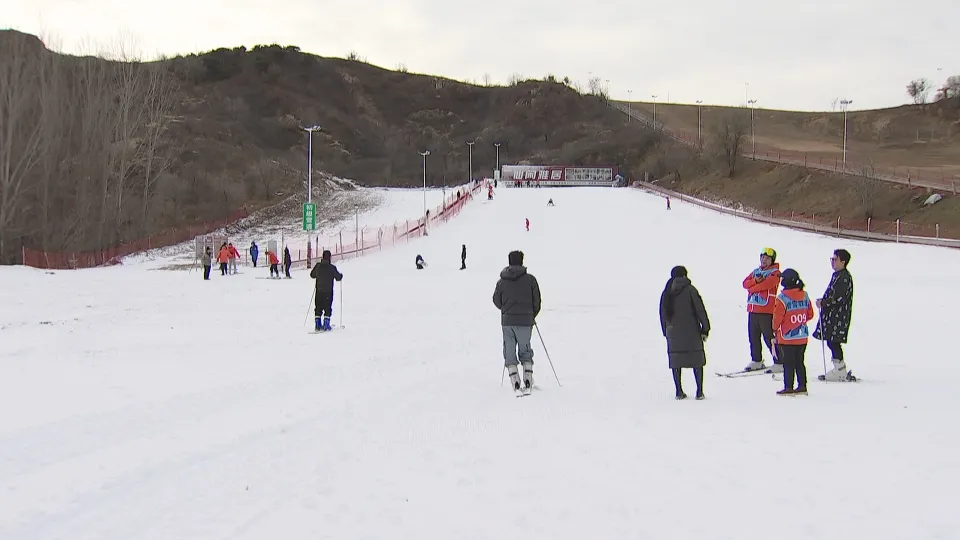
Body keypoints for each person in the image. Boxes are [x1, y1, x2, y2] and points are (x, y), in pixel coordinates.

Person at [492, 250, 542, 393]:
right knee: (525, 347)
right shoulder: (530, 280)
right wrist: (531, 315)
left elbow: (496, 300)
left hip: (508, 321)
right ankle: (527, 377)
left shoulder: (501, 282)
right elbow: (537, 301)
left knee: (509, 347)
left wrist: (505, 310)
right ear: (521, 261)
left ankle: (514, 378)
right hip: (526, 321)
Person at [659, 266, 710, 400]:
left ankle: (679, 391)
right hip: (691, 331)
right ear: (685, 275)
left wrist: (666, 331)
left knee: (676, 361)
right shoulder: (690, 290)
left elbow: (662, 314)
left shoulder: (666, 292)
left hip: (673, 332)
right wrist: (705, 328)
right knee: (697, 360)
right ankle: (699, 392)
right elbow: (700, 310)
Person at [813, 249, 855, 381]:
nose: (832, 262)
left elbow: (839, 297)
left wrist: (824, 302)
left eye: (835, 259)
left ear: (843, 262)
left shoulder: (844, 277)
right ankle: (838, 367)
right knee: (831, 340)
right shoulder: (837, 275)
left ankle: (840, 369)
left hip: (838, 316)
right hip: (832, 315)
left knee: (834, 341)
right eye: (831, 259)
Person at [772, 269, 815, 395]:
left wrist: (774, 329)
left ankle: (788, 387)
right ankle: (802, 386)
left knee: (788, 363)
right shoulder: (805, 295)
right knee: (800, 362)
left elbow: (777, 319)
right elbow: (810, 314)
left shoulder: (782, 299)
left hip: (787, 338)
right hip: (802, 337)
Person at [742, 247, 781, 372]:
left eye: (767, 258)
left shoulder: (775, 272)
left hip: (766, 310)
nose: (764, 260)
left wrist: (752, 288)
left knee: (769, 337)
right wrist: (754, 281)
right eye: (763, 257)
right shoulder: (756, 272)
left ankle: (779, 361)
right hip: (753, 309)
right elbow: (745, 283)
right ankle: (756, 360)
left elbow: (767, 284)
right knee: (753, 336)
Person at [310, 249, 343, 331]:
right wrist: (341, 275)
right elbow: (338, 277)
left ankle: (317, 324)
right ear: (330, 258)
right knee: (327, 307)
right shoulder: (332, 268)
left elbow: (312, 275)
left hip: (319, 291)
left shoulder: (318, 266)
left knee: (318, 307)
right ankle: (326, 324)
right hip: (328, 292)